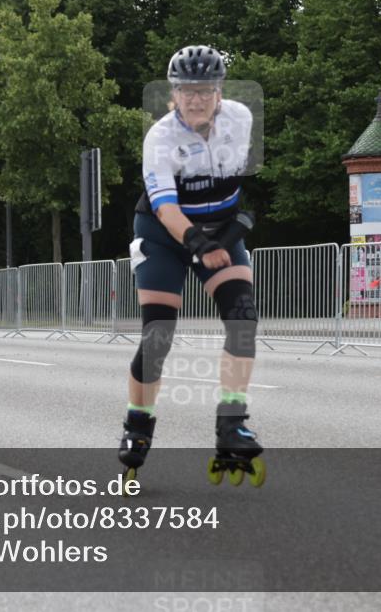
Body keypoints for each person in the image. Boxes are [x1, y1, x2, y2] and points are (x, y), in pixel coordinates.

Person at [117, 45, 265, 486]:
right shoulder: (159, 138)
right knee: (158, 333)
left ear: (219, 92)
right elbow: (165, 206)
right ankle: (137, 426)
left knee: (242, 318)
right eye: (186, 91)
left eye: (204, 90)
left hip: (216, 227)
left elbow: (236, 186)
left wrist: (228, 236)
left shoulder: (240, 117)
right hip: (165, 233)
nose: (196, 100)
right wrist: (200, 245)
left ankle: (231, 423)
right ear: (173, 94)